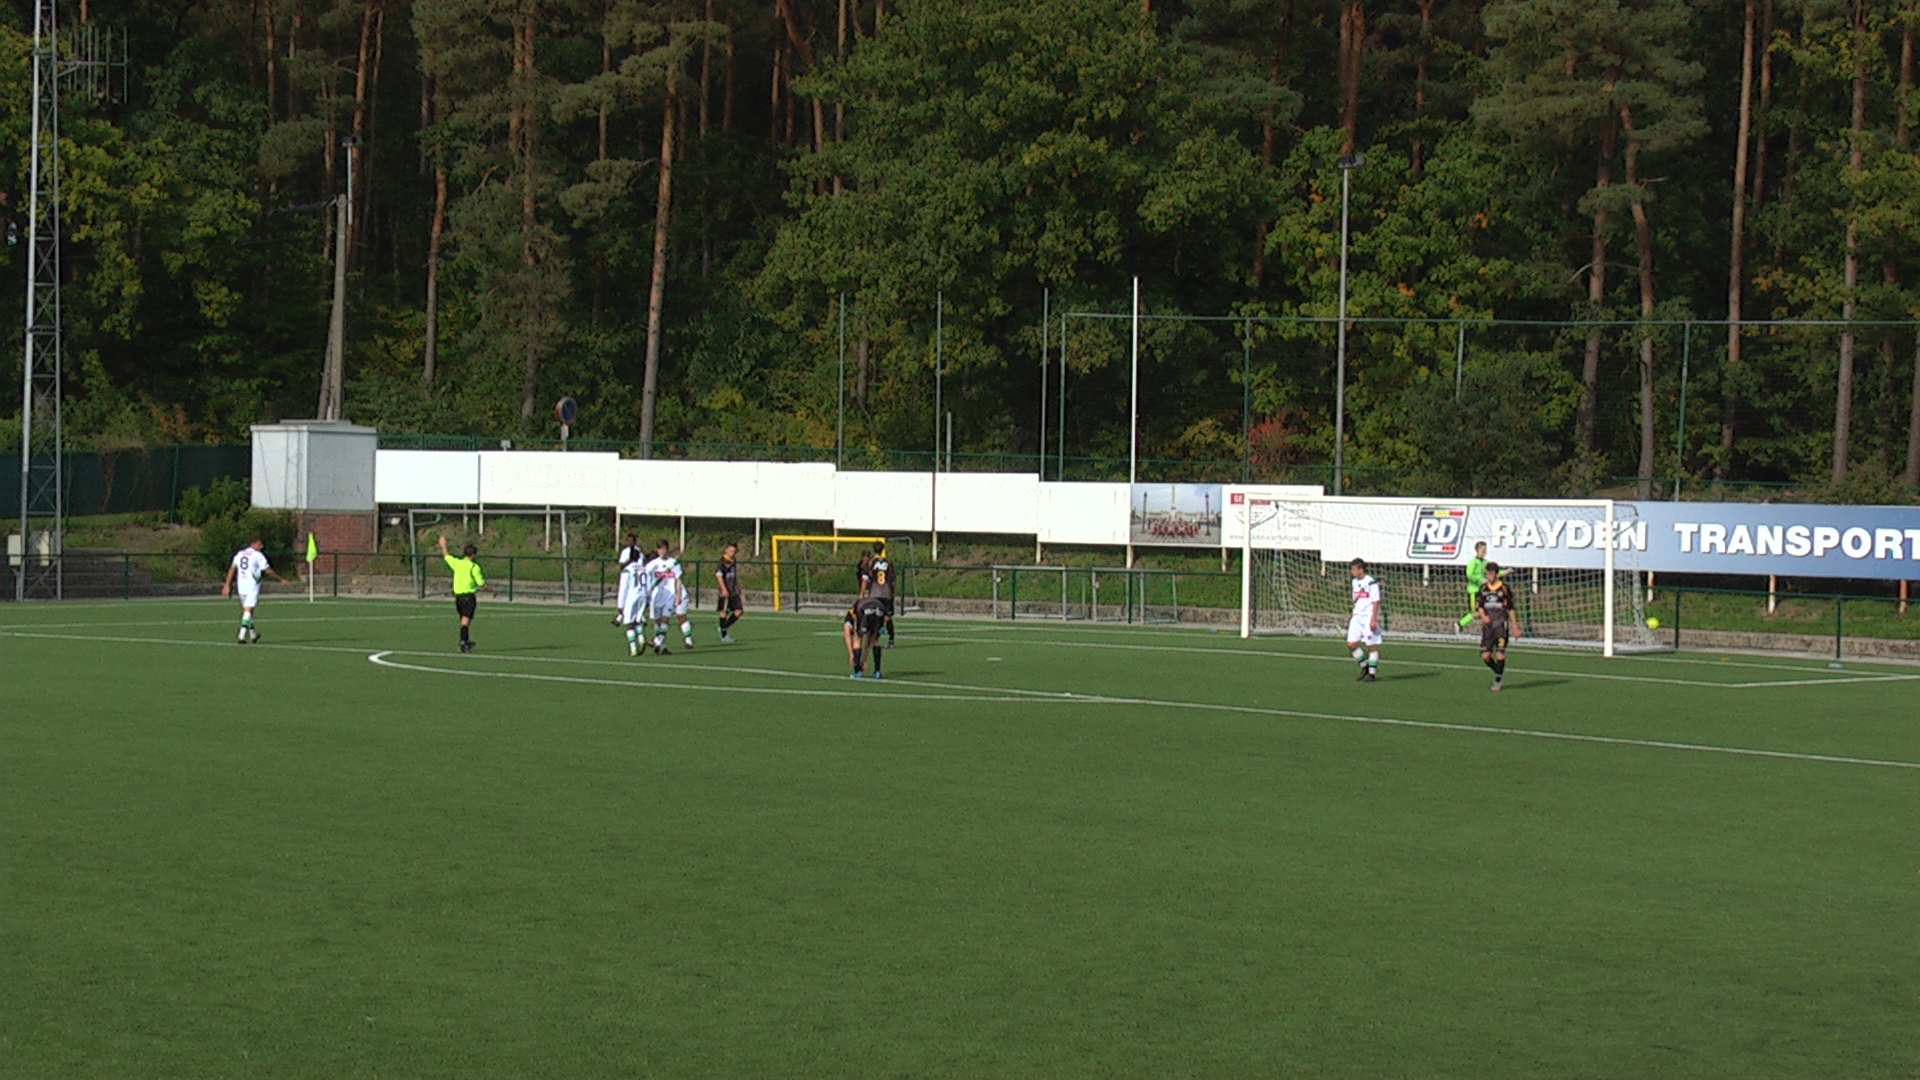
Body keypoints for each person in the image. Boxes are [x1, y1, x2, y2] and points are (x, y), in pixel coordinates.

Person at [220, 536, 289, 644]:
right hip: (252, 585)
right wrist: (280, 579)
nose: (262, 546)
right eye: (260, 544)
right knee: (248, 610)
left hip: (241, 585)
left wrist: (227, 585)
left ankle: (253, 634)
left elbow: (232, 569)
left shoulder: (240, 554)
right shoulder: (258, 555)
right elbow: (267, 570)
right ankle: (241, 635)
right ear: (253, 544)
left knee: (248, 611)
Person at [439, 534, 496, 653]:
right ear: (473, 555)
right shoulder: (474, 567)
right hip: (468, 597)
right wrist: (491, 591)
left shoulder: (457, 563)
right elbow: (481, 583)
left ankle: (465, 640)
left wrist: (443, 545)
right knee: (466, 621)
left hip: (458, 597)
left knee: (464, 620)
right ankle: (463, 642)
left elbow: (446, 556)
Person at [1474, 561, 1521, 691]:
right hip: (1488, 627)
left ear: (1496, 574)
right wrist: (1483, 616)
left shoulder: (1504, 588)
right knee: (1485, 656)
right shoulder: (1483, 588)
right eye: (1488, 573)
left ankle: (1498, 679)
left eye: (1492, 573)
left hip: (1501, 625)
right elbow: (1480, 607)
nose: (1490, 576)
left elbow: (1511, 609)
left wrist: (1515, 627)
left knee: (1500, 654)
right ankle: (1499, 672)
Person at [641, 540, 691, 654]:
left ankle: (658, 641)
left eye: (664, 549)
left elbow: (678, 580)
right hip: (656, 597)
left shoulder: (673, 563)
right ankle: (662, 646)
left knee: (665, 620)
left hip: (670, 596)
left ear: (667, 549)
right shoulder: (652, 564)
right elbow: (644, 576)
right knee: (657, 623)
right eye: (660, 549)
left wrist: (678, 595)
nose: (662, 551)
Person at [1347, 557, 1382, 683]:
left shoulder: (1371, 582)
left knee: (1372, 646)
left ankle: (1372, 674)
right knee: (1351, 645)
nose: (1352, 572)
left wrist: (1373, 619)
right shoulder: (1354, 582)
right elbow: (1355, 599)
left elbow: (1376, 601)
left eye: (1354, 569)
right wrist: (1353, 613)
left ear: (1361, 569)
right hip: (1357, 617)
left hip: (1368, 617)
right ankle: (1365, 666)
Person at [861, 541, 897, 646]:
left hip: (875, 593)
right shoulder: (888, 562)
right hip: (887, 592)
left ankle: (875, 639)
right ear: (882, 550)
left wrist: (862, 592)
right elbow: (893, 580)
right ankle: (891, 639)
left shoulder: (870, 562)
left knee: (874, 615)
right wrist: (892, 593)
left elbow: (865, 579)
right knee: (887, 617)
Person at [618, 551, 651, 656]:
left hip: (632, 597)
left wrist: (620, 605)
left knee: (629, 624)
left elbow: (623, 588)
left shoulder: (627, 570)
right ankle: (641, 638)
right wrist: (648, 599)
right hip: (643, 596)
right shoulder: (644, 569)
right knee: (638, 620)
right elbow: (649, 585)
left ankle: (633, 649)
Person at [850, 596, 889, 679]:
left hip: (865, 612)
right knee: (875, 640)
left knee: (858, 639)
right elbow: (887, 617)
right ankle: (877, 672)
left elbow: (855, 616)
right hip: (880, 609)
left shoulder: (856, 607)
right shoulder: (874, 600)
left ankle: (858, 671)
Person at [613, 531, 645, 626]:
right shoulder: (625, 551)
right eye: (629, 541)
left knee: (626, 595)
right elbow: (622, 565)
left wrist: (629, 563)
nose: (630, 542)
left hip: (632, 578)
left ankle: (631, 618)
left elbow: (638, 565)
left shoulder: (638, 552)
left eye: (632, 541)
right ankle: (622, 616)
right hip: (630, 576)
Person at [715, 542, 744, 643]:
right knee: (723, 611)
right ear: (726, 550)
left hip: (733, 590)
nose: (733, 553)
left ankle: (723, 627)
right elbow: (719, 576)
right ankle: (724, 636)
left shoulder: (733, 560)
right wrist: (723, 589)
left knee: (739, 611)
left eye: (734, 551)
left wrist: (737, 586)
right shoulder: (722, 562)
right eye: (731, 551)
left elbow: (733, 575)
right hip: (725, 590)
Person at [1458, 541, 1489, 630]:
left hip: (1483, 591)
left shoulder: (1486, 563)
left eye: (1485, 549)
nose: (1484, 551)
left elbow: (1494, 572)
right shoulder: (1473, 562)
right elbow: (1469, 575)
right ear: (1477, 550)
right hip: (1474, 591)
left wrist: (1505, 572)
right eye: (1483, 549)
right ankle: (1460, 624)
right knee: (1475, 613)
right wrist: (1480, 580)